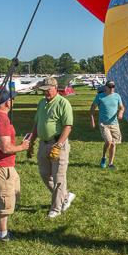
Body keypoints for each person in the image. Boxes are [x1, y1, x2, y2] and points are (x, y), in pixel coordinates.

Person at [0, 87, 30, 241]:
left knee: (13, 191)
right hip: (1, 165)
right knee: (4, 199)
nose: (13, 102)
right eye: (12, 99)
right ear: (7, 103)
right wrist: (22, 147)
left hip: (2, 164)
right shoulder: (2, 119)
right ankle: (3, 234)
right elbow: (6, 148)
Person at [27, 76, 75, 219]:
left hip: (58, 144)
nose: (45, 93)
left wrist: (58, 145)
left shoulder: (63, 103)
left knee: (59, 177)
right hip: (43, 143)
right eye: (43, 90)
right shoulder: (41, 103)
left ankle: (56, 208)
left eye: (48, 90)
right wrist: (32, 142)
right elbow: (37, 123)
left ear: (55, 88)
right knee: (44, 174)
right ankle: (66, 196)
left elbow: (68, 127)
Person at [90, 79, 124, 169]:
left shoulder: (117, 96)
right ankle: (104, 157)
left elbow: (121, 106)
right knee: (108, 141)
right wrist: (92, 120)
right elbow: (92, 108)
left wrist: (121, 112)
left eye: (113, 87)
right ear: (106, 87)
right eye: (110, 87)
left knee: (113, 144)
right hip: (103, 124)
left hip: (115, 124)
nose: (112, 88)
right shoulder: (100, 97)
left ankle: (110, 164)